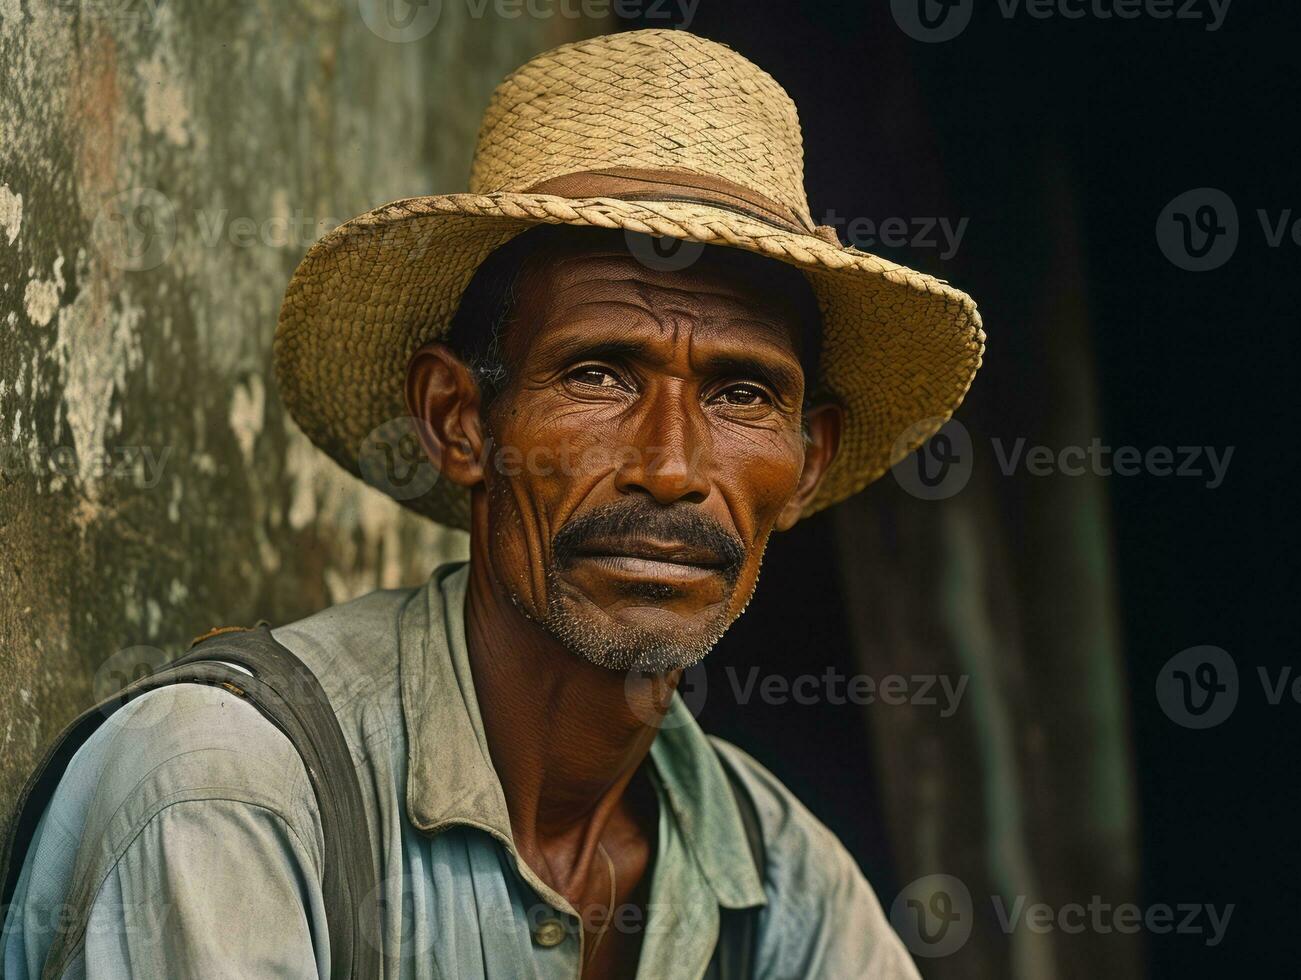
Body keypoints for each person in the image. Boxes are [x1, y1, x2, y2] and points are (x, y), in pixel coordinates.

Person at [2, 29, 983, 979]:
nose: (672, 466)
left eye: (740, 393)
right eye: (599, 373)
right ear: (458, 419)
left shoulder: (778, 878)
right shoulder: (227, 792)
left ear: (806, 462)